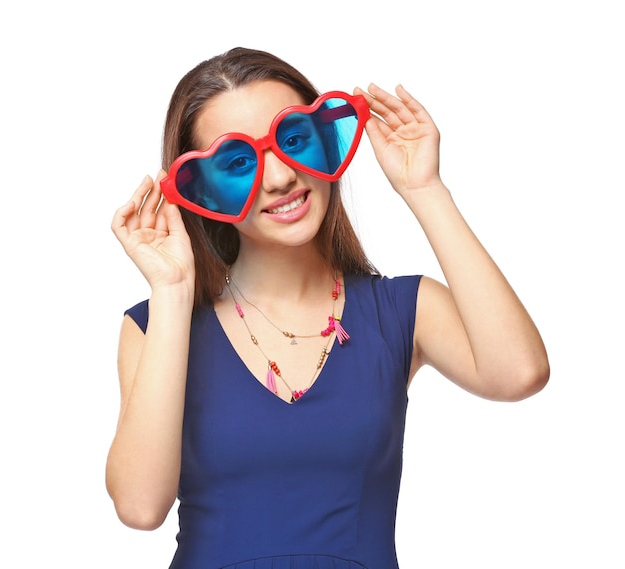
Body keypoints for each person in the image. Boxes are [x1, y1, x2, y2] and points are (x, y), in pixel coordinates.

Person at [106, 47, 550, 569]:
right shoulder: (157, 325)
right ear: (201, 190)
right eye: (237, 162)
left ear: (324, 140)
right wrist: (174, 290)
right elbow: (139, 507)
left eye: (293, 140)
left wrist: (424, 188)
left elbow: (519, 372)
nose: (279, 179)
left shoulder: (401, 310)